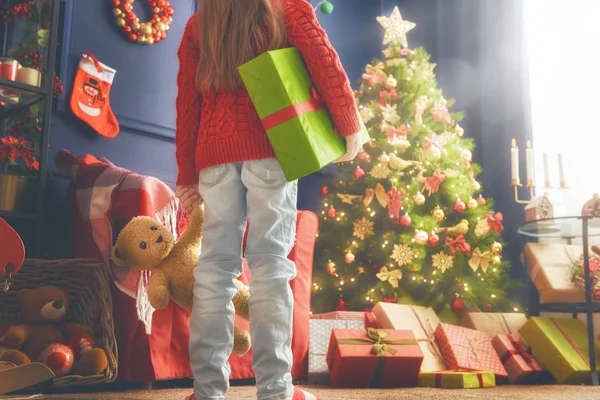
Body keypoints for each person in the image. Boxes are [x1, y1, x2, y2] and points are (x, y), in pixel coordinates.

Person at [174, 1, 363, 399]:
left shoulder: (198, 24)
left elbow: (187, 104)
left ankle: (206, 390)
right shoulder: (288, 9)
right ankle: (275, 391)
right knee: (272, 269)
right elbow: (326, 65)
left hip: (213, 158)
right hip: (272, 148)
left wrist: (186, 176)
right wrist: (349, 126)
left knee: (213, 272)